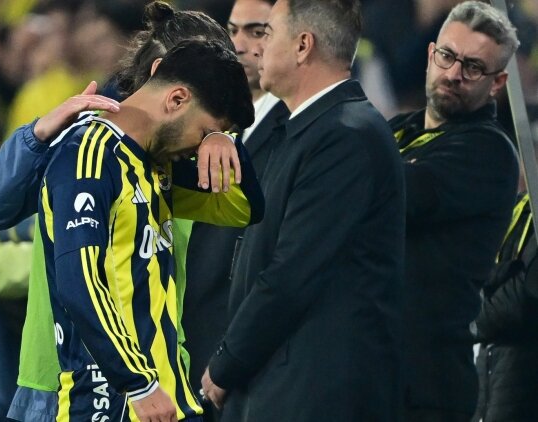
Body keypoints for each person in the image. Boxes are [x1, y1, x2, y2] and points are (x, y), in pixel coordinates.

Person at [0, 3, 252, 420]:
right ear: (165, 75)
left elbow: (246, 209)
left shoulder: (184, 154)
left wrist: (227, 139)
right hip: (59, 377)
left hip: (157, 373)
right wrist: (38, 134)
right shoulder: (84, 142)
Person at [202, 0, 405, 420]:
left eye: (268, 33)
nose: (258, 47)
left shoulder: (345, 136)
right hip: (285, 381)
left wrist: (227, 362)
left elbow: (292, 272)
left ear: (302, 46)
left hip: (315, 391)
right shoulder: (312, 129)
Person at [35, 39, 256, 421]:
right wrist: (137, 383)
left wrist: (225, 140)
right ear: (177, 99)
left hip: (169, 398)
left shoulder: (157, 163)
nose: (199, 148)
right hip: (112, 399)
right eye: (204, 131)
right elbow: (79, 281)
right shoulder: (87, 156)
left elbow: (244, 208)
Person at [387, 2, 520, 420]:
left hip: (425, 385)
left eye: (473, 67)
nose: (454, 73)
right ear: (430, 54)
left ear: (498, 83)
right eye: (447, 56)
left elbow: (397, 195)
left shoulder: (489, 151)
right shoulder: (397, 131)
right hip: (369, 367)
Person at [179, 1, 288, 420]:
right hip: (182, 336)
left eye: (256, 31)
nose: (238, 45)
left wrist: (233, 354)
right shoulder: (197, 123)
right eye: (232, 30)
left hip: (236, 352)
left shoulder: (292, 131)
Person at [472, 191, 538, 421]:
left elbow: (525, 296)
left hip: (523, 366)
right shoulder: (519, 206)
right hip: (491, 362)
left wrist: (473, 321)